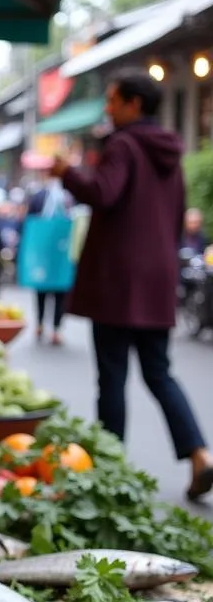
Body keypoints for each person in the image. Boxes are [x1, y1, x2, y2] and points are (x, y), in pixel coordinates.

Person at [53, 68, 213, 501]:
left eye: (112, 100)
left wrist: (67, 172)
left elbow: (103, 192)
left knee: (112, 376)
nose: (107, 107)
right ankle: (200, 454)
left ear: (133, 104)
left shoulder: (122, 145)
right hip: (156, 276)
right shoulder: (171, 153)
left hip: (118, 279)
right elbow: (178, 217)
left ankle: (108, 472)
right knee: (159, 372)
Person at [26, 182, 72, 345]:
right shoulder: (41, 196)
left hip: (60, 252)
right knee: (43, 290)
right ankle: (43, 325)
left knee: (59, 291)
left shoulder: (69, 197)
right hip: (46, 251)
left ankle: (54, 327)